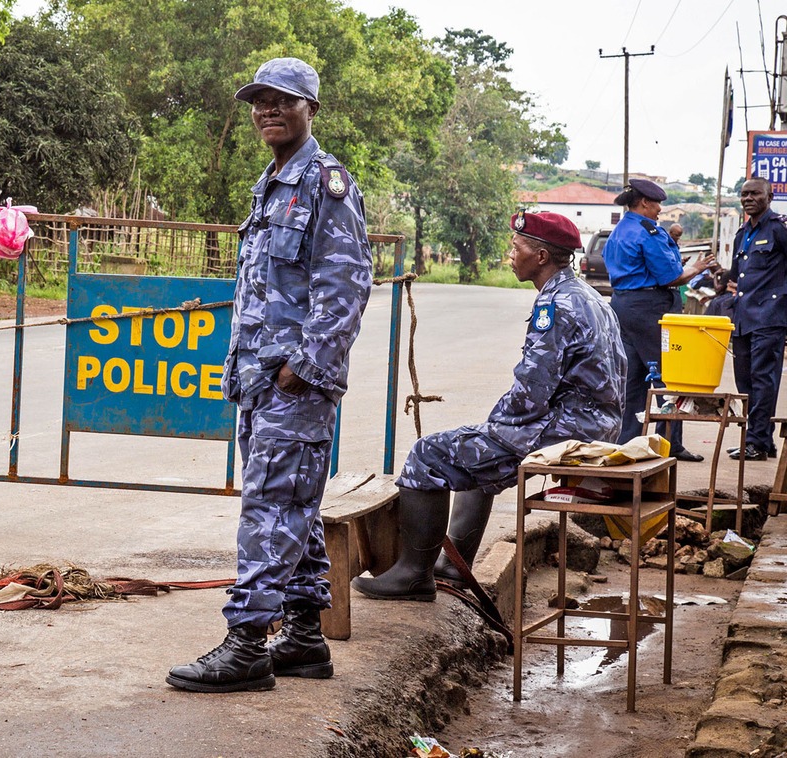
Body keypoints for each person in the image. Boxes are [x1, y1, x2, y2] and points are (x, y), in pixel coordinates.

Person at [166, 57, 372, 692]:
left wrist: (301, 369)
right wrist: (252, 371)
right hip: (260, 379)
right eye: (258, 101)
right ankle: (305, 639)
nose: (267, 111)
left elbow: (344, 288)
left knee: (268, 509)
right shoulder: (272, 181)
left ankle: (248, 644)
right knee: (294, 509)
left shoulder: (325, 183)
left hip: (294, 382)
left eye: (282, 100)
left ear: (311, 108)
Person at [352, 211, 626, 601]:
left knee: (427, 455)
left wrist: (495, 425)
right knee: (475, 452)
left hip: (567, 431)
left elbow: (532, 390)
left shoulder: (555, 307)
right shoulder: (590, 297)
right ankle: (454, 566)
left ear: (542, 256)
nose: (509, 255)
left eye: (517, 248)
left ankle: (414, 575)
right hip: (595, 426)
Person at [604, 179, 715, 462]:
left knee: (634, 379)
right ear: (644, 203)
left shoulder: (619, 231)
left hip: (623, 306)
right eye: (657, 205)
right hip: (650, 308)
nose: (660, 211)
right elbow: (670, 277)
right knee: (669, 376)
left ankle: (627, 442)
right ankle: (669, 444)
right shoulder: (647, 231)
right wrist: (697, 268)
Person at [727, 176, 787, 461]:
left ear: (769, 196)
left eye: (754, 194)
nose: (748, 198)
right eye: (743, 194)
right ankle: (762, 440)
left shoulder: (779, 228)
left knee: (763, 379)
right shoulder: (743, 234)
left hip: (769, 317)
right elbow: (736, 274)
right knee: (745, 382)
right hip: (743, 317)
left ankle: (756, 442)